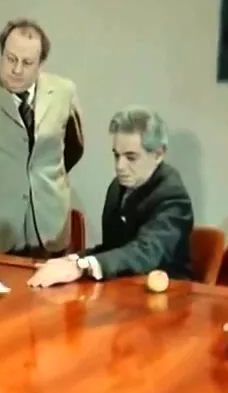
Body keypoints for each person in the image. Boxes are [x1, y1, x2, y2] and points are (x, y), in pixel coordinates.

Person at [0, 18, 85, 258]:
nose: (17, 69)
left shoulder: (64, 92)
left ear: (40, 63)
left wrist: (44, 179)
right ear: (1, 54)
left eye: (27, 62)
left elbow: (74, 147)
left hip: (50, 228)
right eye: (11, 59)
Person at [28, 106, 194, 288]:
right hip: (123, 288)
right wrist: (72, 260)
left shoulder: (172, 195)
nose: (119, 166)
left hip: (166, 294)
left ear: (158, 155)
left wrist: (80, 267)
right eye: (116, 155)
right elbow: (113, 248)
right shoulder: (117, 187)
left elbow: (145, 252)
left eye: (131, 157)